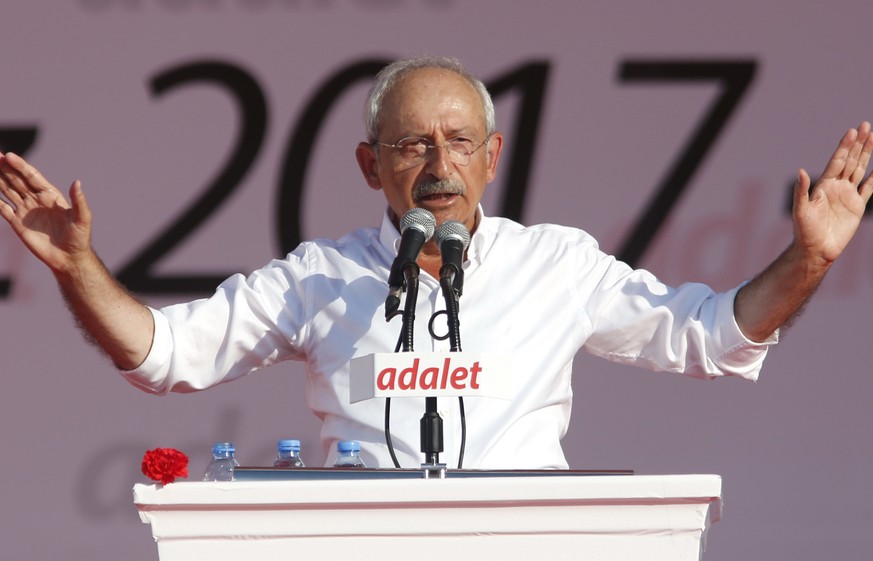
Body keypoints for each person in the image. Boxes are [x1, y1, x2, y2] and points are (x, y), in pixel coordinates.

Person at [1, 56, 871, 469]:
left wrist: (807, 261)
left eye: (458, 142)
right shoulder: (318, 276)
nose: (437, 164)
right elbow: (165, 355)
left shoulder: (555, 264)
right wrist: (77, 265)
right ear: (368, 164)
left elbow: (708, 337)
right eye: (411, 144)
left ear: (492, 157)